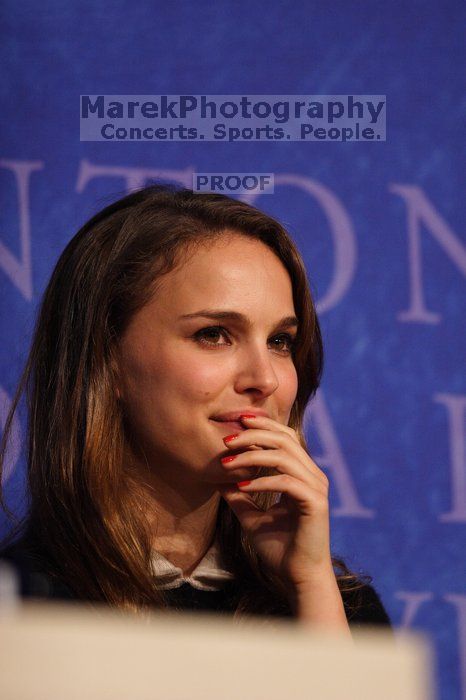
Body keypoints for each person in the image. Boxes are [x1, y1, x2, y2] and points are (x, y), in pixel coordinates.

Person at [0, 183, 391, 635]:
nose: (264, 379)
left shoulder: (340, 612)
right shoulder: (21, 608)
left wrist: (311, 587)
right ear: (106, 357)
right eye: (214, 334)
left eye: (280, 341)